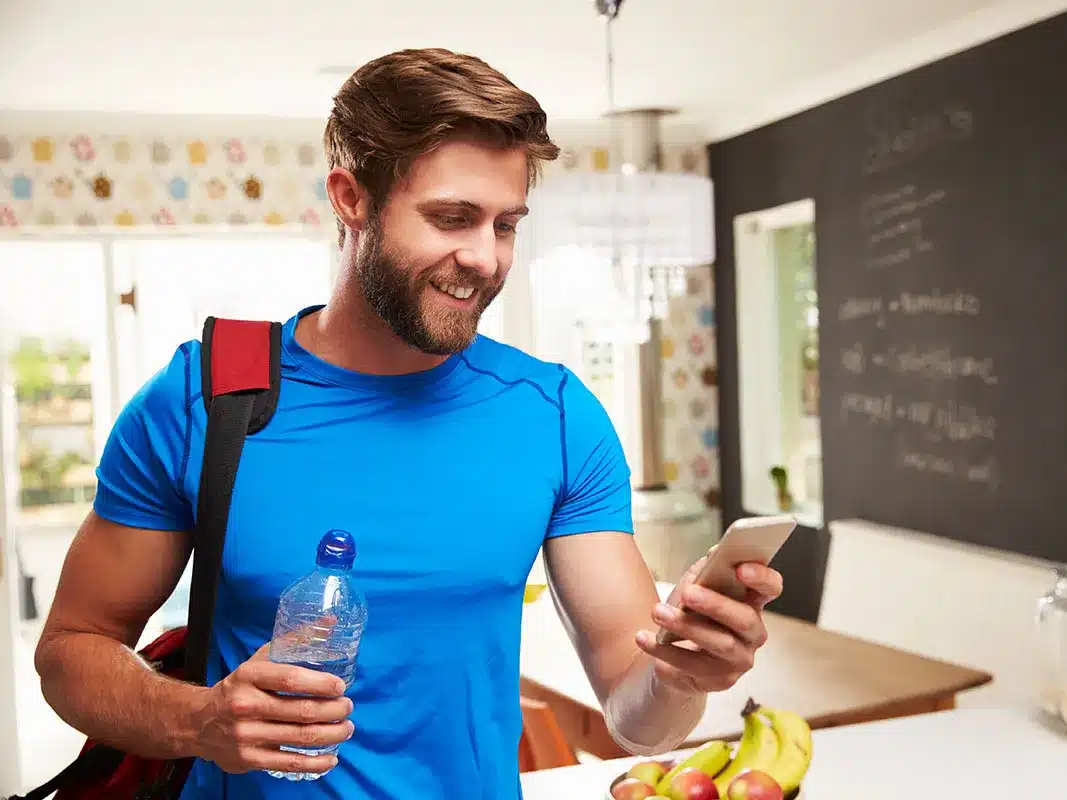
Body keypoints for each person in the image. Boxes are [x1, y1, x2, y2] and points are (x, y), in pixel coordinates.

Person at [33, 48, 784, 799]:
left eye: (507, 225)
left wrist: (681, 673)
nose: (485, 259)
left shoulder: (554, 417)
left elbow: (638, 720)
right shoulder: (207, 396)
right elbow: (70, 652)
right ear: (351, 198)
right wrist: (197, 720)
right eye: (452, 218)